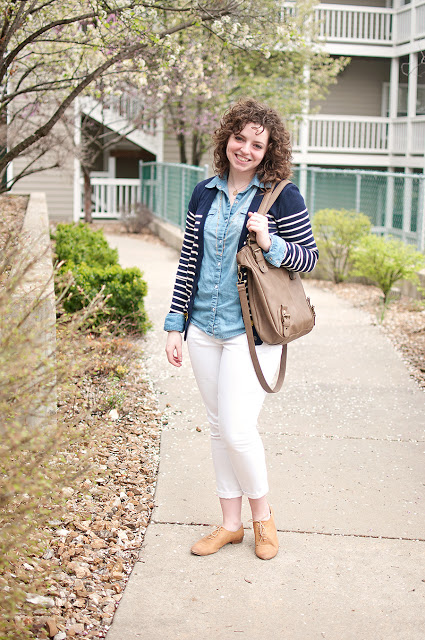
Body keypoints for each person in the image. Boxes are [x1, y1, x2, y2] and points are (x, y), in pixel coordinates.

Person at [164, 98, 318, 560]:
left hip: (252, 333)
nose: (245, 149)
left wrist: (271, 243)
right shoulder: (204, 193)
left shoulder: (281, 196)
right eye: (240, 138)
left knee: (237, 428)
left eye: (257, 143)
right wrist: (176, 325)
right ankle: (230, 524)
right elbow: (188, 262)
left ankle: (263, 519)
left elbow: (309, 258)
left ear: (268, 151)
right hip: (202, 329)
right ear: (226, 138)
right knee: (216, 427)